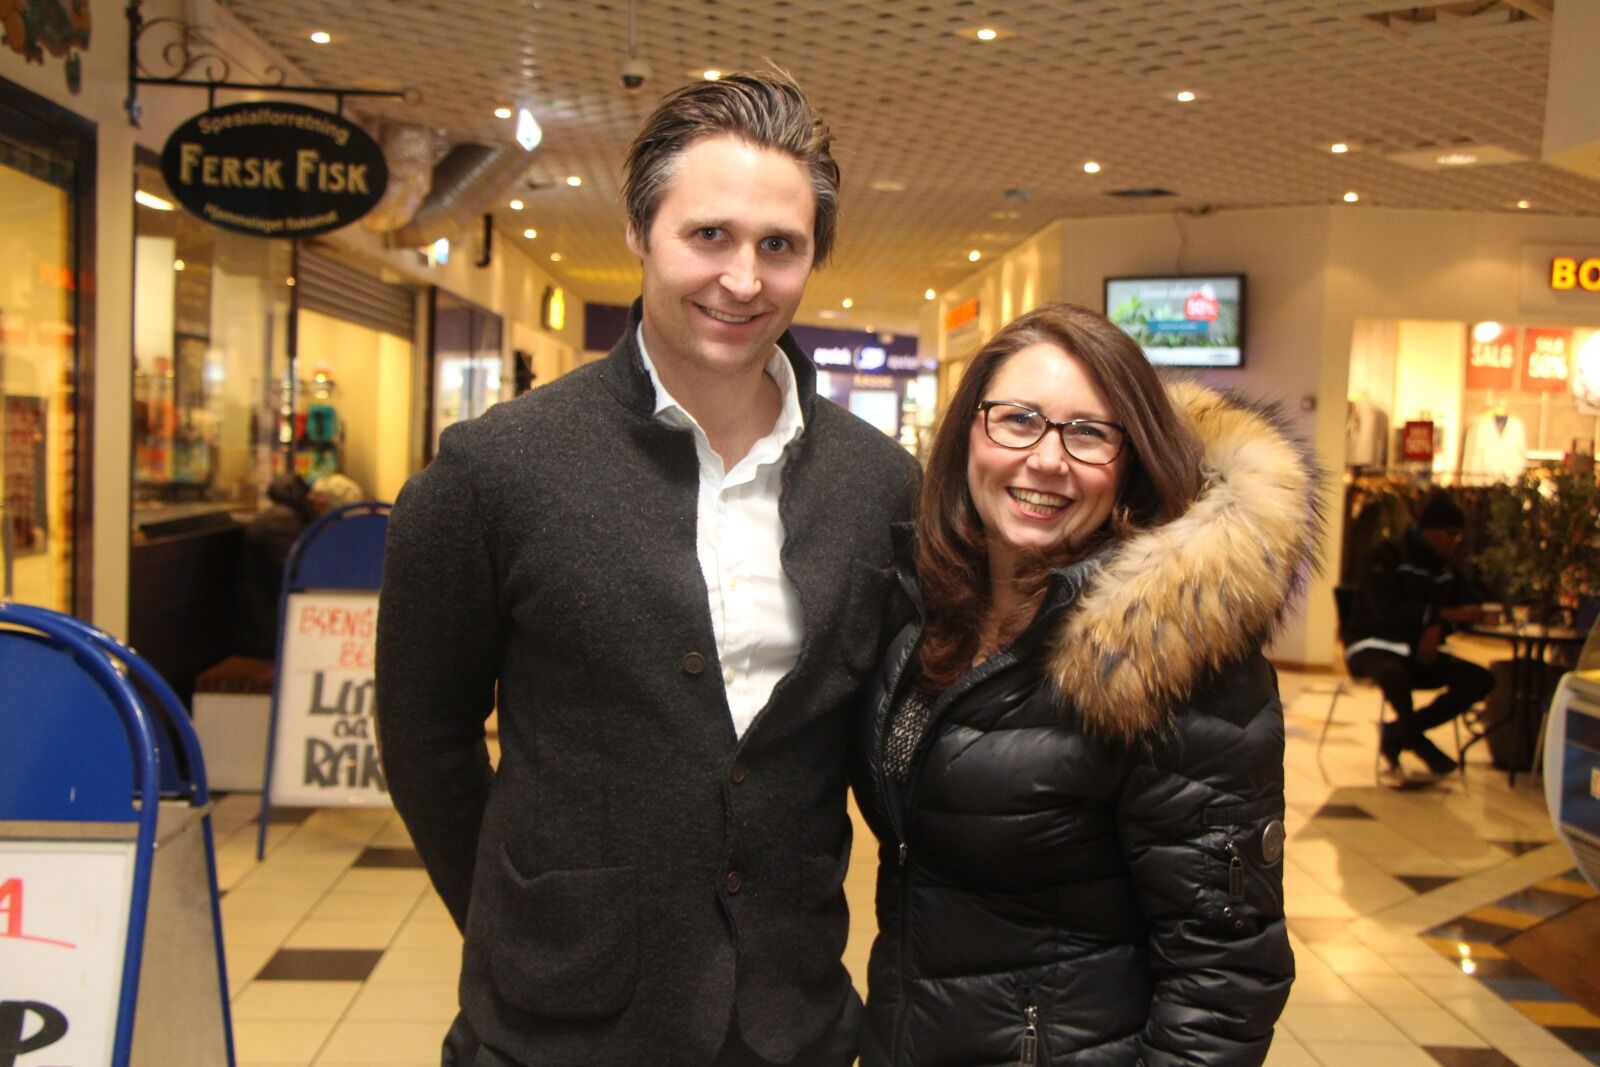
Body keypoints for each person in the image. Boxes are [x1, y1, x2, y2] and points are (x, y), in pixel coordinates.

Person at [376, 70, 919, 1067]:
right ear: (639, 231)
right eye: (708, 235)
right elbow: (424, 733)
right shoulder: (497, 469)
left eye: (779, 246)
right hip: (554, 1027)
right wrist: (516, 925)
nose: (743, 280)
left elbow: (883, 745)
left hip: (788, 1017)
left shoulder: (877, 484)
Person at [851, 303, 1317, 1066]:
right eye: (1018, 419)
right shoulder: (925, 606)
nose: (1047, 458)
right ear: (968, 433)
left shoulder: (1169, 656)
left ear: (1131, 458)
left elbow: (1226, 979)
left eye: (1089, 432)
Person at [1343, 490, 1492, 777]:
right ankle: (1416, 741)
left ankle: (1399, 732)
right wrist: (1438, 616)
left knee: (1479, 679)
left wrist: (1439, 627)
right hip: (1372, 646)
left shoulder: (1447, 568)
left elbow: (1468, 607)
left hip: (1418, 652)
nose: (1456, 542)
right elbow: (1384, 611)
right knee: (1394, 676)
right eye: (1451, 534)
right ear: (1430, 531)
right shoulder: (1388, 556)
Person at [234, 472, 311, 659]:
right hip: (268, 629)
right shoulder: (281, 520)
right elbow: (291, 576)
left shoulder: (277, 516)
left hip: (261, 621)